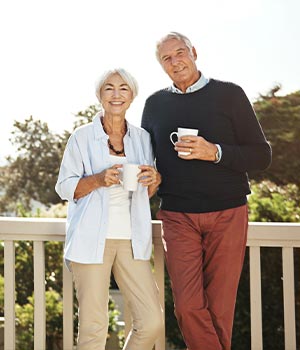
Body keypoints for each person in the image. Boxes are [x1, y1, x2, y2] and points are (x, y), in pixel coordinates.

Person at [141, 32, 272, 350]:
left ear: (194, 52)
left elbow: (261, 155)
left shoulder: (230, 95)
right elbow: (144, 159)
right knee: (187, 307)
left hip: (228, 212)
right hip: (177, 216)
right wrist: (150, 176)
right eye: (166, 58)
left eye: (180, 52)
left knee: (219, 310)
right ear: (161, 66)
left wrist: (214, 151)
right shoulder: (154, 104)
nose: (175, 61)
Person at [55, 68, 164, 350]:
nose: (116, 94)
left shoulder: (142, 138)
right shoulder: (81, 137)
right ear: (100, 96)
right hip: (91, 238)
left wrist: (155, 179)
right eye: (109, 88)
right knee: (93, 327)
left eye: (123, 88)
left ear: (132, 96)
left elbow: (147, 190)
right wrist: (98, 179)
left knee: (152, 321)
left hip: (132, 239)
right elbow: (65, 187)